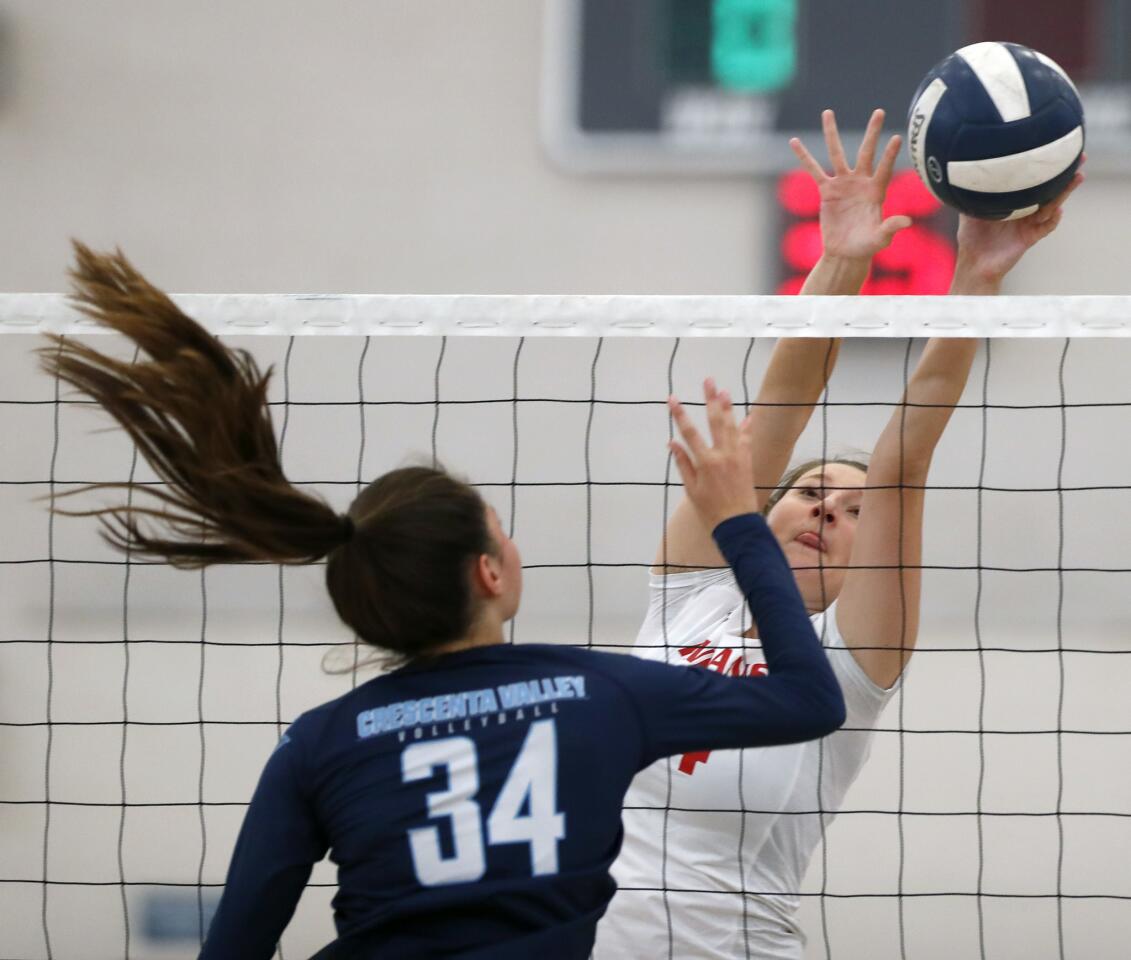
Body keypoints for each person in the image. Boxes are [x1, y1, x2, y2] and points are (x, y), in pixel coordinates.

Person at [40, 244, 846, 960]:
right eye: (503, 534)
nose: (514, 547)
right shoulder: (600, 695)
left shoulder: (317, 744)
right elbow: (808, 698)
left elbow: (238, 940)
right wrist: (738, 520)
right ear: (489, 575)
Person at [593, 109, 1083, 959]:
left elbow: (902, 463)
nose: (826, 509)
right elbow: (777, 411)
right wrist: (843, 260)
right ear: (761, 508)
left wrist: (973, 280)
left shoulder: (850, 662)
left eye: (854, 513)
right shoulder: (688, 598)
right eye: (812, 492)